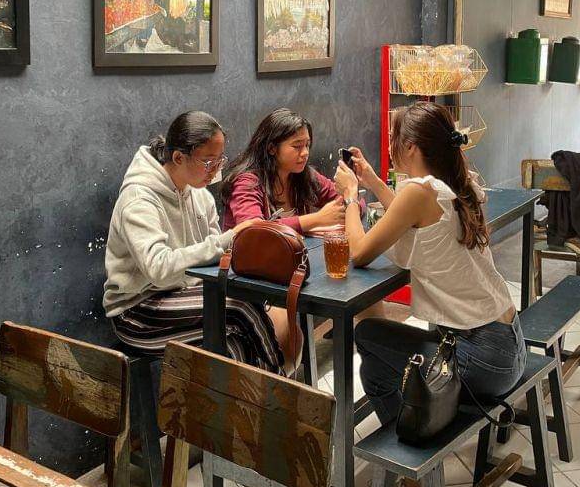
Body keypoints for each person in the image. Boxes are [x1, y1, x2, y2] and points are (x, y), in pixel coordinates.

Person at [333, 103, 526, 425]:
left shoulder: (420, 191)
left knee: (368, 335)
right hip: (507, 345)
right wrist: (373, 181)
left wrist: (351, 196)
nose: (390, 146)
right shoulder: (455, 183)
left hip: (482, 359)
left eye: (394, 138)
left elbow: (360, 252)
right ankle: (414, 424)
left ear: (410, 146)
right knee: (376, 364)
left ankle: (410, 437)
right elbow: (414, 217)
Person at [103, 111, 286, 373]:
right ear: (179, 157)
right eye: (208, 162)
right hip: (137, 313)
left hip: (186, 296)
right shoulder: (139, 199)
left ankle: (257, 396)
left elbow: (213, 260)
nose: (216, 170)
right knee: (239, 309)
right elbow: (159, 269)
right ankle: (280, 387)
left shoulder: (200, 195)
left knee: (233, 343)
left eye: (220, 160)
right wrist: (228, 239)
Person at [221, 108, 349, 234]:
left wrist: (351, 193)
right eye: (297, 146)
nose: (305, 153)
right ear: (272, 148)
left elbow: (351, 201)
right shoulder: (247, 182)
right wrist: (317, 219)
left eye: (307, 145)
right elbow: (254, 231)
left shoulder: (305, 175)